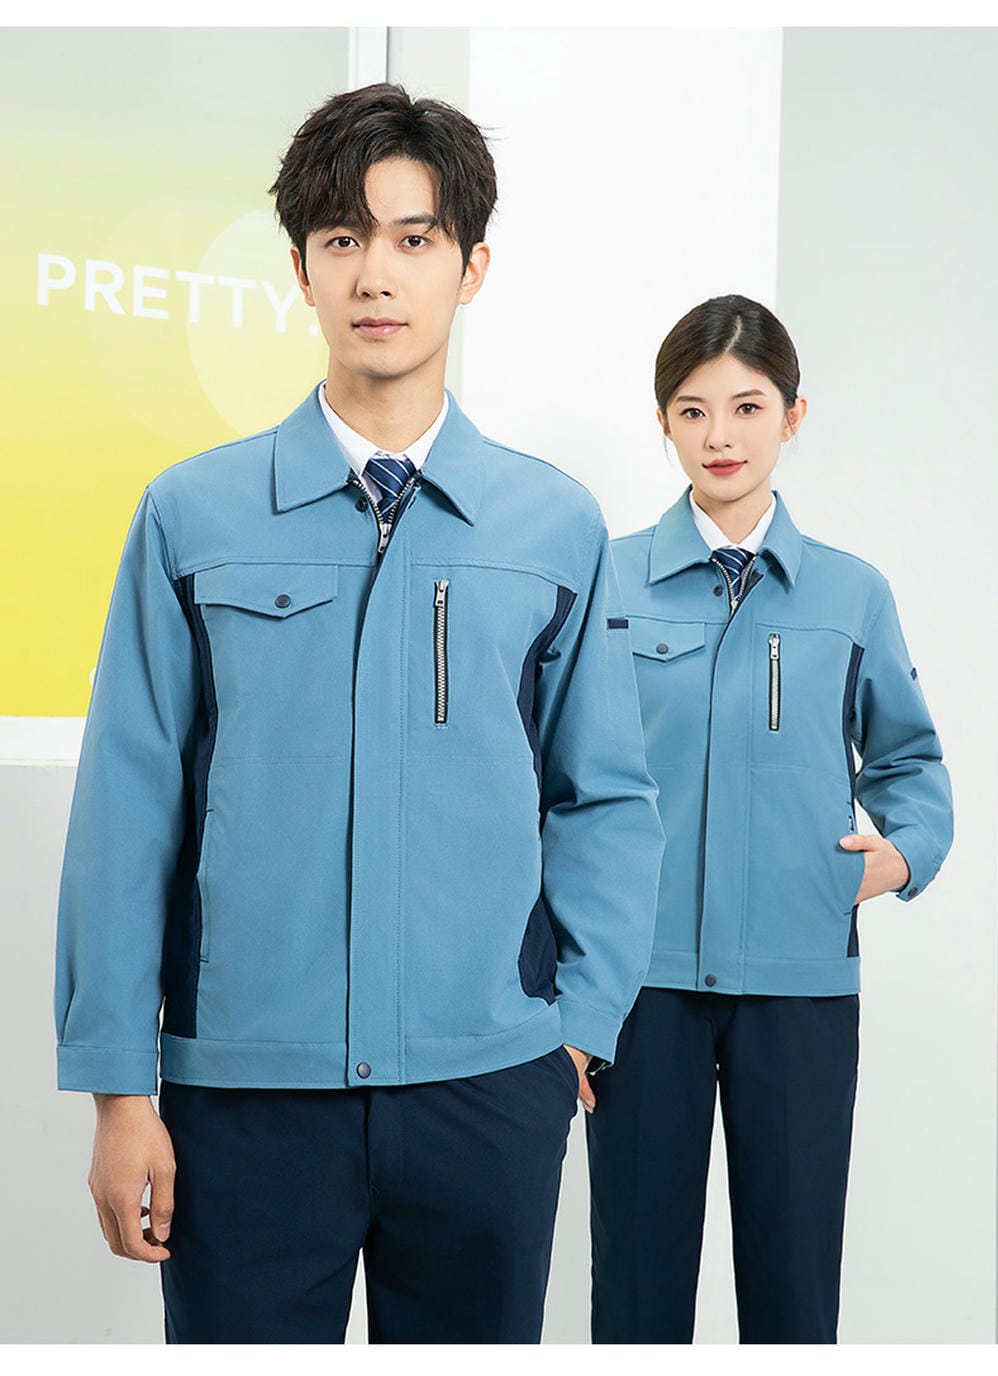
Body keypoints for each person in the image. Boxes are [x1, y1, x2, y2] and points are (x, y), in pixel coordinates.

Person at [54, 83, 663, 1345]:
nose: (375, 274)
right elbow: (128, 806)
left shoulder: (551, 525)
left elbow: (603, 793)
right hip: (245, 1094)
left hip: (488, 1087)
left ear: (470, 267)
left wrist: (576, 1032)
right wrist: (119, 1088)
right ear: (301, 268)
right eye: (342, 239)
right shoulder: (191, 514)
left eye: (413, 238)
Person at [586, 294, 953, 1344]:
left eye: (747, 407)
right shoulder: (607, 579)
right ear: (663, 420)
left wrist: (895, 859)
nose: (721, 436)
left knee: (794, 1292)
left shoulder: (850, 592)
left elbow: (912, 764)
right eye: (693, 410)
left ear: (792, 416)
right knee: (637, 1290)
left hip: (799, 989)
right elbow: (557, 775)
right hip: (639, 988)